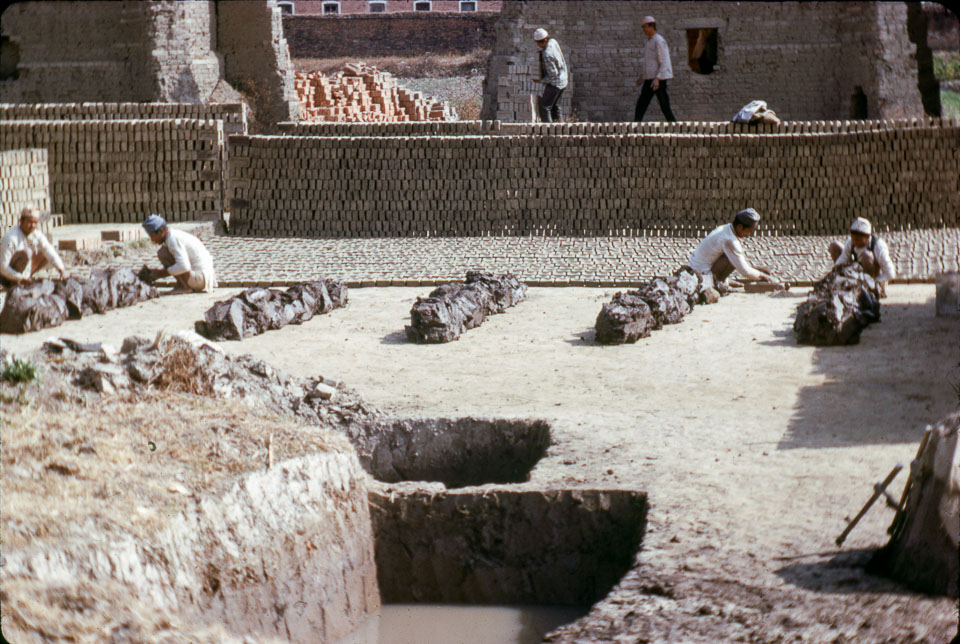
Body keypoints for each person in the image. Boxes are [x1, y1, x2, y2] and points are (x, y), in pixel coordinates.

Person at [683, 208, 774, 301]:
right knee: (732, 258)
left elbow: (740, 264)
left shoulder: (725, 228)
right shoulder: (729, 240)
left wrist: (758, 270)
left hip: (696, 269)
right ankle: (716, 284)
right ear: (740, 227)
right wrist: (763, 276)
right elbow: (744, 270)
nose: (748, 234)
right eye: (749, 231)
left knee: (734, 257)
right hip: (701, 276)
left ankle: (721, 281)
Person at [140, 215, 217, 294]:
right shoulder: (172, 235)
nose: (152, 240)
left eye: (152, 236)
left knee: (163, 254)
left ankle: (185, 287)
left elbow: (184, 266)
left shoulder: (173, 239)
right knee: (164, 251)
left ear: (161, 231)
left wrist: (161, 273)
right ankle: (183, 284)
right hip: (202, 277)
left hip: (200, 279)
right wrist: (158, 272)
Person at [0, 207, 69, 288]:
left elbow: (49, 250)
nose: (32, 226)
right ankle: (14, 283)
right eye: (29, 222)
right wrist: (19, 278)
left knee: (43, 253)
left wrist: (61, 270)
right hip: (4, 275)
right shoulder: (11, 238)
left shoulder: (36, 234)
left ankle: (24, 279)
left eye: (35, 223)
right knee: (25, 254)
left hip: (21, 272)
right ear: (21, 221)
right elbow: (3, 267)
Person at [828, 217, 896, 296]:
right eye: (853, 239)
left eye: (857, 240)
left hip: (874, 278)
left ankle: (871, 290)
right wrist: (834, 274)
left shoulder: (878, 245)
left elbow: (890, 273)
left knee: (866, 255)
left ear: (867, 237)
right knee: (835, 246)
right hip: (857, 274)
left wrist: (876, 281)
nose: (854, 242)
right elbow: (843, 258)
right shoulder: (851, 242)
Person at [634, 16, 677, 122]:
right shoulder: (650, 41)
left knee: (664, 105)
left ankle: (675, 126)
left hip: (658, 80)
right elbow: (650, 62)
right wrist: (643, 76)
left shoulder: (659, 40)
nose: (644, 29)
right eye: (643, 27)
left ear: (652, 26)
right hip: (650, 79)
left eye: (645, 27)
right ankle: (635, 127)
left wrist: (658, 78)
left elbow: (664, 61)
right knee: (641, 104)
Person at [533, 27, 568, 123]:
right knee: (555, 106)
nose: (537, 45)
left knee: (544, 107)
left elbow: (553, 75)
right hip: (564, 79)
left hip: (556, 83)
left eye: (538, 43)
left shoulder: (547, 54)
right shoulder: (553, 41)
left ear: (545, 40)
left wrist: (540, 80)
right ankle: (559, 128)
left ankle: (548, 130)